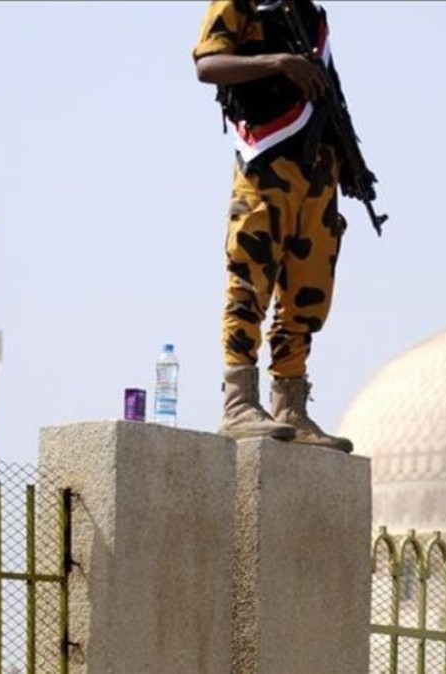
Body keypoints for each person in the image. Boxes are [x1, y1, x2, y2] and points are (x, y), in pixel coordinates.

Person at [193, 0, 354, 453]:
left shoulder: (311, 15)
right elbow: (208, 64)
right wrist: (278, 63)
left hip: (316, 169)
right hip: (266, 161)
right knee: (251, 278)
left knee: (307, 294)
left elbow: (326, 91)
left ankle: (291, 406)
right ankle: (239, 401)